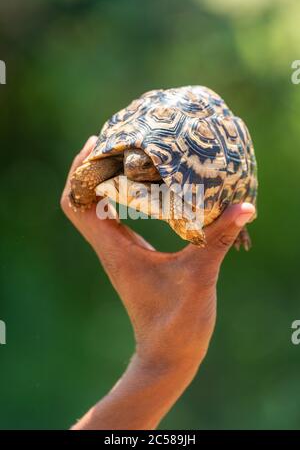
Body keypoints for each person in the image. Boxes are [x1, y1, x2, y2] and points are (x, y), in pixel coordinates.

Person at [61, 136, 255, 430]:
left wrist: (161, 367)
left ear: (157, 167)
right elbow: (96, 172)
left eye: (145, 165)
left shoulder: (170, 178)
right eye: (130, 163)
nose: (135, 168)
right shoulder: (123, 164)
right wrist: (166, 365)